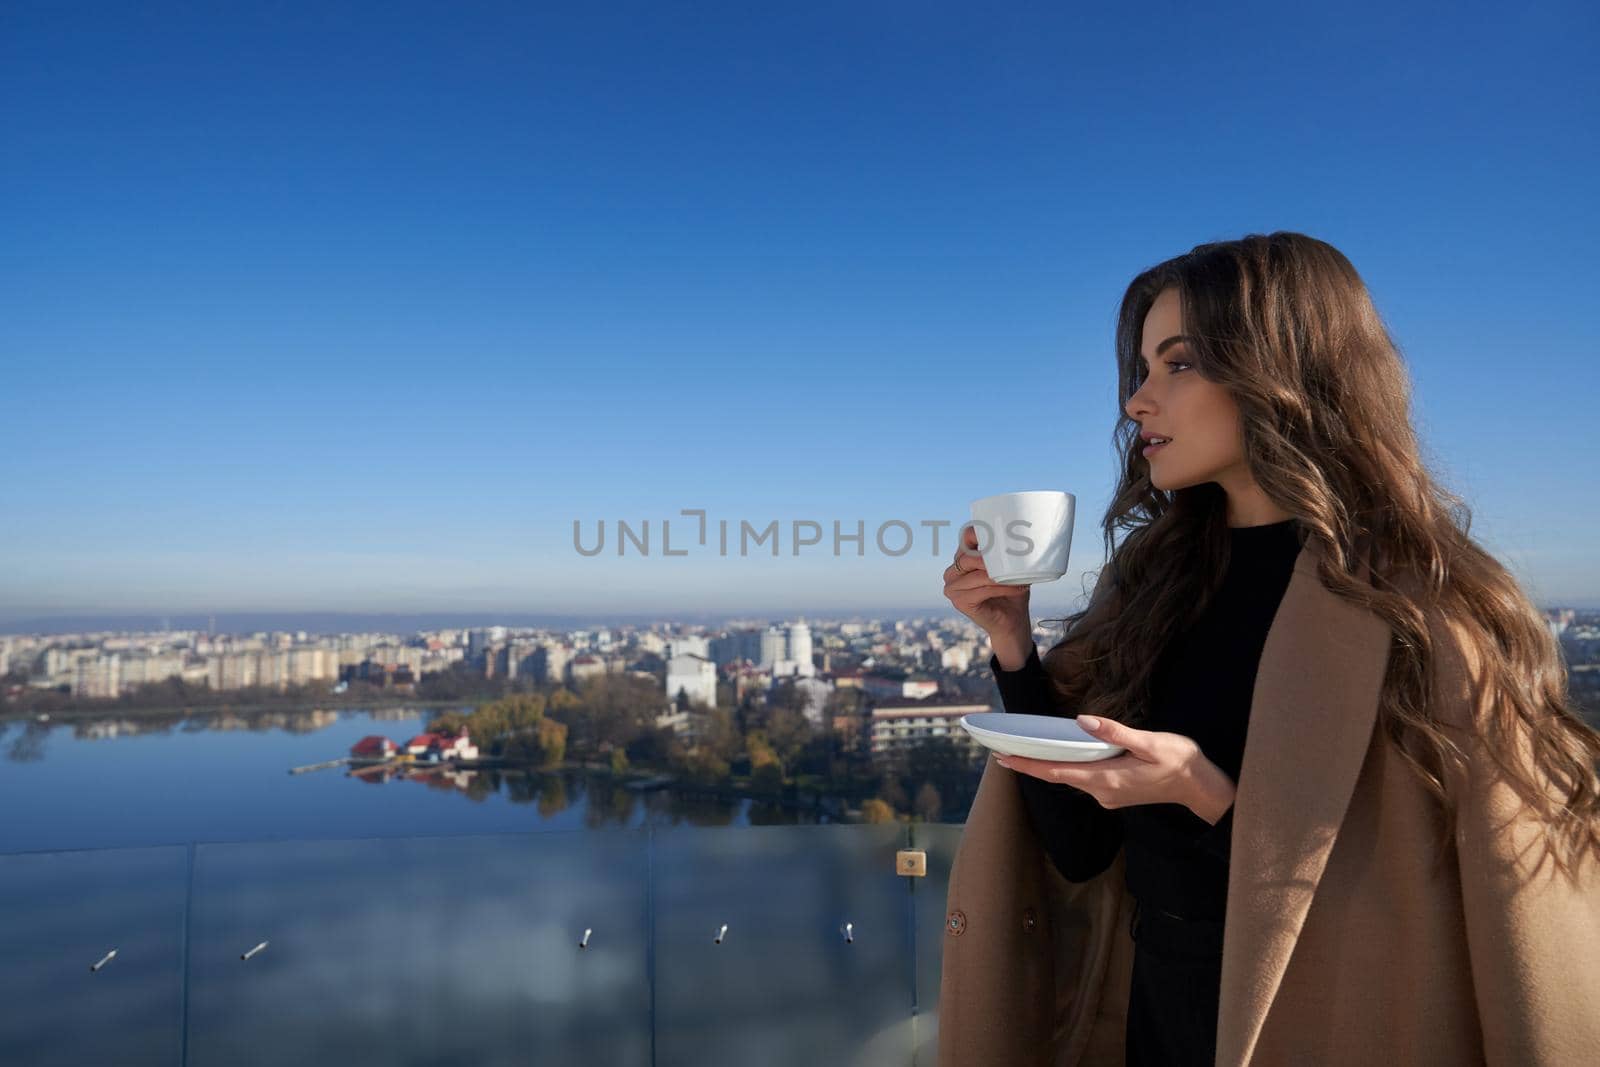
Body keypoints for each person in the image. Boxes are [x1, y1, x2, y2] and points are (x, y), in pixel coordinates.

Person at [936, 231, 1600, 1066]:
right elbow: (1081, 846)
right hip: (1160, 1016)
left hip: (1319, 1026)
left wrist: (1207, 793)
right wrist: (1012, 645)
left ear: (1284, 371)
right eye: (1141, 370)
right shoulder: (1152, 590)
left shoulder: (1422, 617)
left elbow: (1448, 910)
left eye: (1178, 365)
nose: (1138, 402)